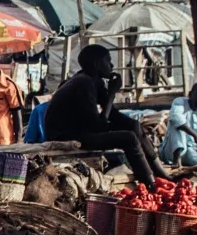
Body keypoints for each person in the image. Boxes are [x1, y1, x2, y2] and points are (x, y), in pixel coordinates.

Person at [42, 43, 170, 180]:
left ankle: (160, 173)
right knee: (129, 138)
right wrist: (111, 94)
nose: (112, 66)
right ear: (97, 65)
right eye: (108, 61)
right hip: (66, 135)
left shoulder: (94, 81)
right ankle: (149, 182)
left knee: (133, 126)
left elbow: (113, 116)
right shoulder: (84, 83)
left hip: (81, 129)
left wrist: (133, 125)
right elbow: (98, 126)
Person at [159, 84, 197, 168]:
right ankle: (177, 161)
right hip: (172, 151)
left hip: (192, 151)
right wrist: (195, 136)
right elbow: (176, 118)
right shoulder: (180, 102)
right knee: (176, 125)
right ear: (190, 95)